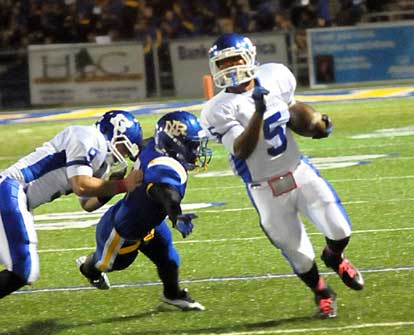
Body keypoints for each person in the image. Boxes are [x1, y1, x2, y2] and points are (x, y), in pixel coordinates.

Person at [200, 33, 364, 318]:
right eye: (223, 63)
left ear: (250, 58)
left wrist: (316, 122)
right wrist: (258, 113)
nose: (230, 67)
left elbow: (294, 111)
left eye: (235, 59)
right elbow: (241, 150)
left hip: (298, 171)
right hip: (264, 188)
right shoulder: (217, 109)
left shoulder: (275, 76)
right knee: (299, 255)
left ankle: (334, 257)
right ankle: (322, 292)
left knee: (340, 230)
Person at [76, 111, 212, 311]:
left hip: (150, 222)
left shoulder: (153, 146)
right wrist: (176, 214)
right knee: (107, 264)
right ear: (174, 144)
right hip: (123, 230)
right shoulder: (164, 165)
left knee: (169, 258)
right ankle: (87, 267)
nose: (197, 150)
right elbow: (163, 192)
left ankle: (172, 294)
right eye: (192, 145)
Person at [0, 110, 143, 299]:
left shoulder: (102, 163)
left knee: (21, 268)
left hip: (16, 198)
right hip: (11, 191)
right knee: (23, 269)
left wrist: (114, 186)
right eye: (125, 147)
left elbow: (88, 204)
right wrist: (123, 185)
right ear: (115, 132)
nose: (123, 154)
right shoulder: (87, 136)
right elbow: (81, 185)